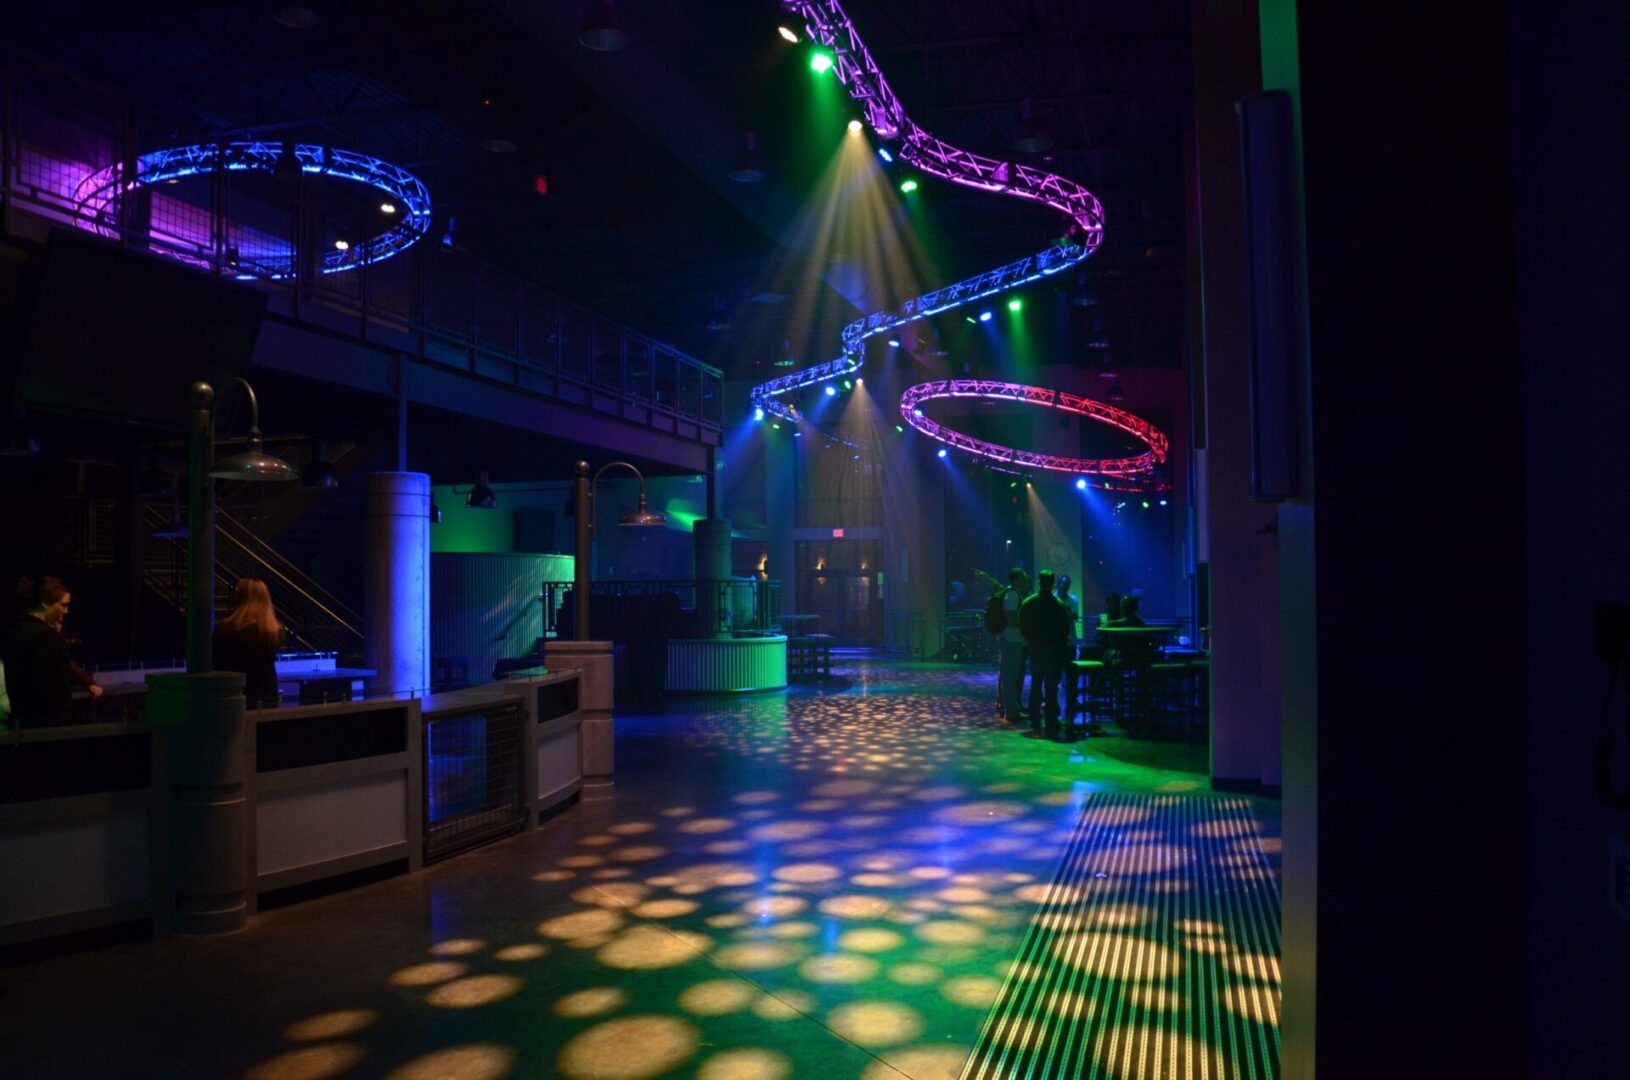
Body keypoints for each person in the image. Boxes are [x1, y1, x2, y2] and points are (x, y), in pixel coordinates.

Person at [2, 576, 100, 727]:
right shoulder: (46, 637)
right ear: (45, 605)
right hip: (49, 723)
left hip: (22, 721)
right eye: (63, 605)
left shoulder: (14, 632)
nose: (66, 611)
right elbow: (57, 684)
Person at [1019, 569, 1074, 739]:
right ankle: (1051, 718)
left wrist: (1031, 641)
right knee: (1051, 686)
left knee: (1036, 683)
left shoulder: (1029, 602)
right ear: (1052, 583)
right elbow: (1065, 629)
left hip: (1036, 648)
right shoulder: (1058, 604)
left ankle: (1034, 717)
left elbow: (1022, 624)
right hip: (1054, 650)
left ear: (1040, 581)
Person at [213, 578, 284, 708]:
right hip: (268, 697)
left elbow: (217, 665)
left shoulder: (226, 629)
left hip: (237, 698)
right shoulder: (274, 631)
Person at [997, 566, 1030, 724]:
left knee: (1008, 676)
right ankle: (1012, 711)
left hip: (1011, 640)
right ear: (1016, 579)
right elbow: (1011, 618)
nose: (1026, 580)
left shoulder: (1011, 593)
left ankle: (1008, 707)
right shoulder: (1012, 595)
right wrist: (1027, 626)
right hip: (1012, 640)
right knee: (1010, 677)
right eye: (1023, 577)